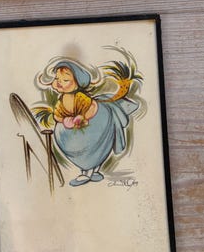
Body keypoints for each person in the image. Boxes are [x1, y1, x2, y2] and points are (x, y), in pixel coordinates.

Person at [35, 58, 140, 187]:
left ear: (77, 83)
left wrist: (81, 117)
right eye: (57, 78)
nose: (59, 82)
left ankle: (88, 173)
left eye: (65, 80)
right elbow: (57, 115)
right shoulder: (62, 99)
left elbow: (92, 107)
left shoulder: (80, 97)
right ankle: (91, 170)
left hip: (92, 127)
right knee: (75, 143)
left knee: (92, 146)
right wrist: (64, 120)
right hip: (75, 131)